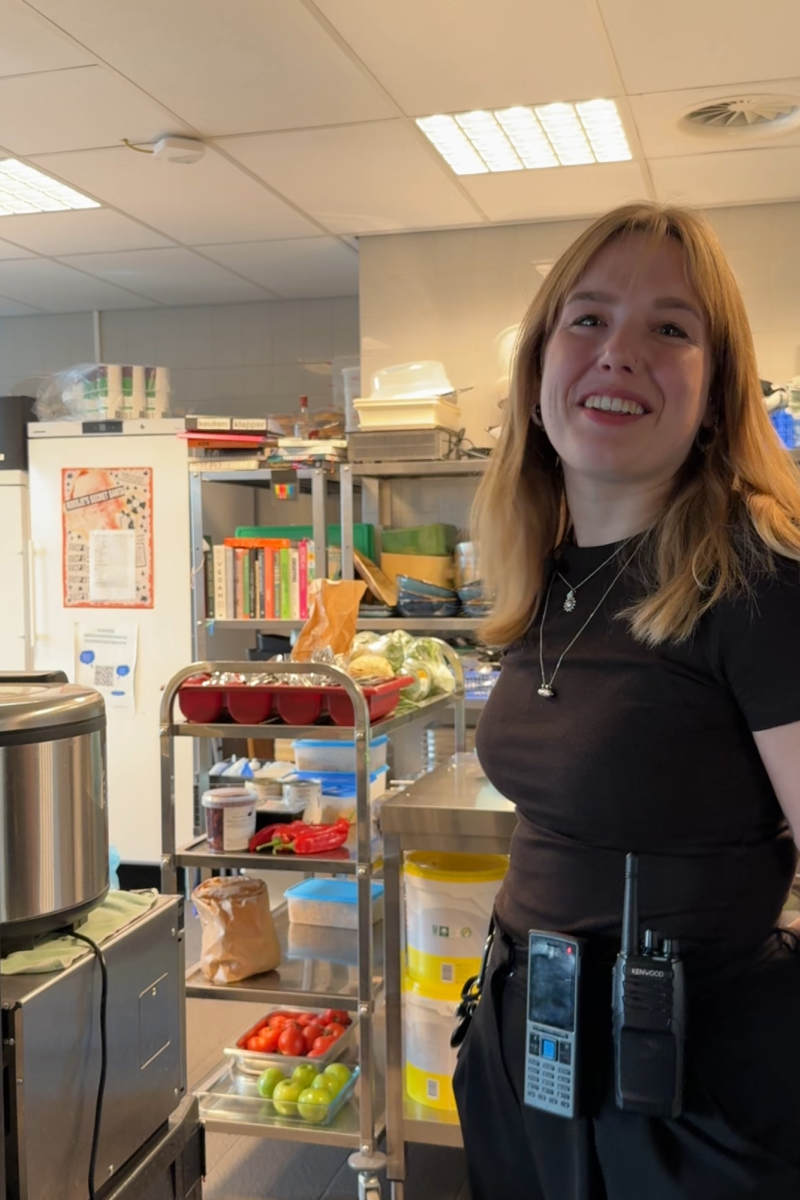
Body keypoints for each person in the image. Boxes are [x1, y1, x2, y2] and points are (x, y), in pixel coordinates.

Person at [454, 201, 800, 1200]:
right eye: (588, 318)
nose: (618, 354)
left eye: (669, 328)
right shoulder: (551, 576)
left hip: (685, 1087)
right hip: (527, 1049)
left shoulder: (757, 584)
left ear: (714, 390)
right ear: (536, 370)